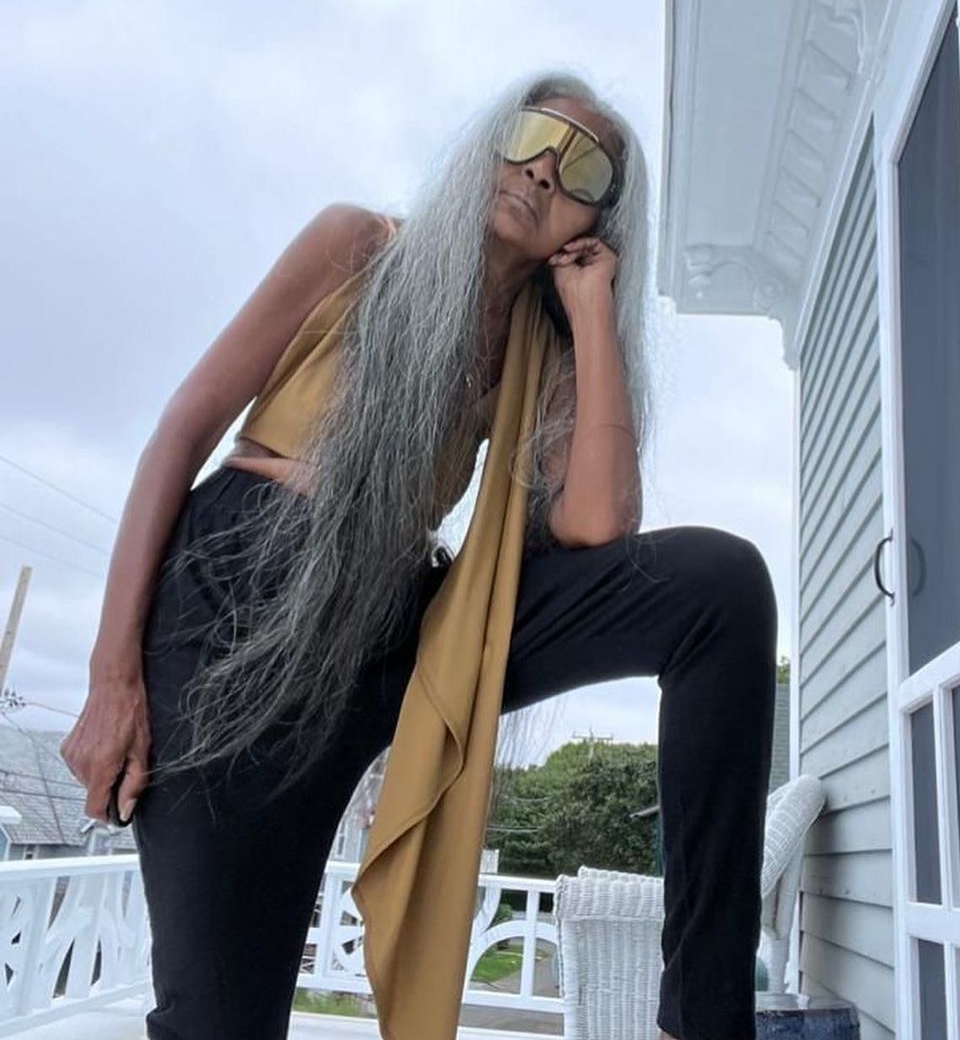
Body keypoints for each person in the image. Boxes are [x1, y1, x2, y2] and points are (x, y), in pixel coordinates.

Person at [60, 69, 777, 1040]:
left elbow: (596, 527)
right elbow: (181, 432)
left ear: (596, 220)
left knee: (720, 588)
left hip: (405, 631)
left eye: (583, 168)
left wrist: (591, 311)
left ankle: (704, 1021)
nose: (543, 168)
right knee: (220, 1021)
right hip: (237, 600)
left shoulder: (541, 346)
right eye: (532, 134)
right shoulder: (360, 245)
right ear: (491, 140)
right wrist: (112, 679)